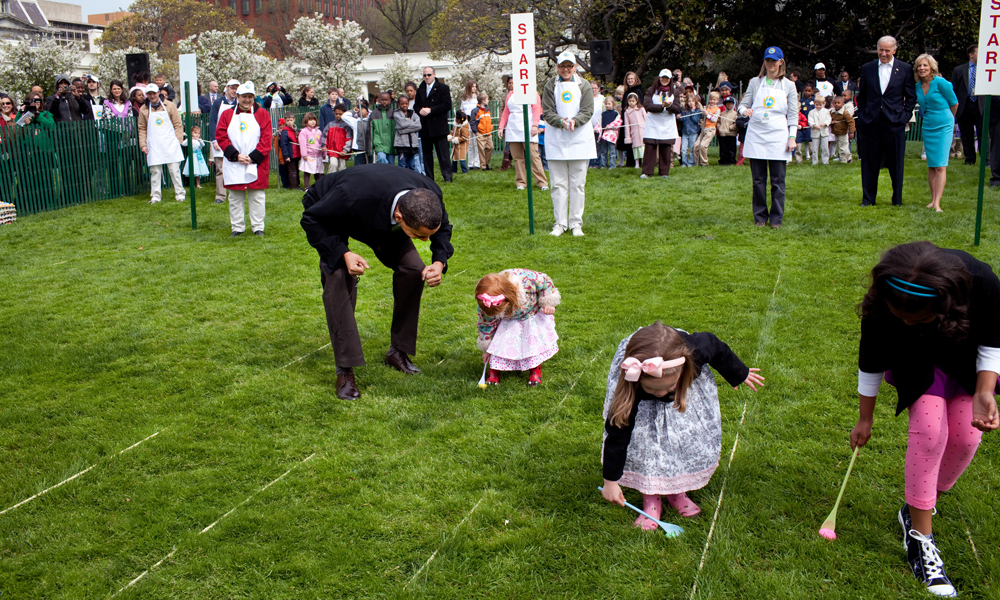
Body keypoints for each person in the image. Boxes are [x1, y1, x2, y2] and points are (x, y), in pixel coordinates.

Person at [850, 241, 1000, 599]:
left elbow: (994, 339)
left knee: (967, 439)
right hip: (918, 361)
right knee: (930, 433)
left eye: (916, 319)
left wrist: (984, 392)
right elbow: (870, 360)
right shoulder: (883, 300)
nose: (904, 321)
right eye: (899, 317)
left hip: (966, 360)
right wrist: (864, 418)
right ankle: (920, 536)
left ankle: (920, 502)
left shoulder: (983, 282)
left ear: (945, 304)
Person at [299, 164, 454, 400]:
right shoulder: (349, 195)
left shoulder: (429, 193)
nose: (425, 241)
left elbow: (442, 229)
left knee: (414, 270)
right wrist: (344, 253)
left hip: (380, 213)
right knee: (340, 277)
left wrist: (439, 261)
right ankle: (345, 371)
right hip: (332, 214)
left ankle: (398, 352)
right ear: (400, 217)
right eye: (419, 236)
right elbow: (311, 220)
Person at [600, 322, 763, 526]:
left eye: (668, 387)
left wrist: (739, 372)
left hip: (682, 397)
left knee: (680, 440)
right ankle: (651, 498)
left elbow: (716, 346)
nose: (661, 394)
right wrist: (610, 481)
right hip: (641, 401)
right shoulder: (631, 386)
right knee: (648, 445)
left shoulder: (696, 351)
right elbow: (617, 433)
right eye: (653, 390)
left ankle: (676, 491)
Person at [737, 46, 798, 228]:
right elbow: (743, 104)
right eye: (768, 60)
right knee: (758, 180)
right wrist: (744, 111)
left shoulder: (789, 85)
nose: (771, 64)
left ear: (781, 62)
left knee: (778, 180)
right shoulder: (756, 82)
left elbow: (793, 113)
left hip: (778, 134)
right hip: (757, 134)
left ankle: (776, 219)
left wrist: (792, 137)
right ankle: (760, 217)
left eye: (774, 61)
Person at [541, 50, 596, 237]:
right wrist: (560, 121)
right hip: (556, 139)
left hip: (579, 139)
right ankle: (560, 223)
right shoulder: (550, 85)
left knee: (578, 184)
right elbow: (547, 111)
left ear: (575, 67)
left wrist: (574, 121)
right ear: (557, 67)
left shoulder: (584, 85)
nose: (566, 69)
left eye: (569, 66)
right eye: (562, 66)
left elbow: (588, 110)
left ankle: (576, 223)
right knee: (558, 184)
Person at [856, 36, 916, 206]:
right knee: (868, 163)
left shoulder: (904, 69)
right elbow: (862, 96)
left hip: (894, 122)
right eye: (880, 50)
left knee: (896, 163)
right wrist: (862, 116)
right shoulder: (868, 68)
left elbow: (910, 97)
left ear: (894, 50)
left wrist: (904, 116)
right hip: (870, 122)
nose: (883, 53)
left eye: (887, 50)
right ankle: (868, 199)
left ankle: (897, 200)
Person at [476, 269, 560, 387]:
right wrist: (486, 349)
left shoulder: (528, 281)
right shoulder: (485, 304)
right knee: (499, 342)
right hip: (505, 321)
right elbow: (486, 324)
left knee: (531, 343)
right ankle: (494, 369)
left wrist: (548, 302)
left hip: (528, 316)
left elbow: (545, 282)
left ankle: (535, 368)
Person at [215, 81, 272, 237]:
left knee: (257, 196)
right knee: (235, 197)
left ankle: (258, 227)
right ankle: (237, 227)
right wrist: (235, 155)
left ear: (254, 98)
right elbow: (221, 136)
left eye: (250, 97)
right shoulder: (227, 115)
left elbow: (266, 139)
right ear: (237, 97)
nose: (247, 100)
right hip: (235, 162)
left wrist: (253, 157)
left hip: (256, 163)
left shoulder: (262, 114)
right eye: (244, 97)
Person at [914, 54, 958, 212]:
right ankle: (932, 200)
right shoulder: (918, 86)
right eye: (919, 66)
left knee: (940, 165)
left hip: (944, 124)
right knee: (931, 165)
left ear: (932, 67)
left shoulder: (941, 82)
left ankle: (938, 203)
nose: (922, 68)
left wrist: (949, 120)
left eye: (925, 65)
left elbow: (954, 103)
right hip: (928, 124)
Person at [139, 83, 185, 204]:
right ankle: (155, 195)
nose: (152, 96)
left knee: (174, 170)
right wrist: (143, 144)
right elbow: (142, 128)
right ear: (147, 95)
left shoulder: (169, 106)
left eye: (154, 93)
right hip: (153, 144)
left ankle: (180, 193)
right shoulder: (143, 109)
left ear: (158, 92)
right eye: (149, 94)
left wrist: (178, 140)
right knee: (155, 171)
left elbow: (178, 124)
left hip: (170, 142)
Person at [499, 77, 548, 190]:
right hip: (513, 128)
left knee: (533, 156)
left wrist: (535, 125)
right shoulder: (510, 94)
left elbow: (536, 109)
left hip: (529, 127)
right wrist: (502, 126)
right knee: (517, 158)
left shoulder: (532, 92)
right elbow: (506, 111)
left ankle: (542, 182)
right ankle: (521, 182)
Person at [414, 67, 453, 182]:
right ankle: (429, 178)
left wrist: (431, 110)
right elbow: (416, 106)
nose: (426, 77)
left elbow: (447, 105)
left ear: (434, 75)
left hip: (439, 127)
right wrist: (420, 110)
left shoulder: (443, 88)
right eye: (424, 75)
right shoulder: (420, 89)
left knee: (443, 154)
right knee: (426, 154)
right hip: (425, 127)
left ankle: (447, 177)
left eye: (429, 75)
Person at [641, 69, 681, 179]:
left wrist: (669, 106)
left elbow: (677, 108)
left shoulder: (675, 92)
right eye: (663, 78)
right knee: (650, 148)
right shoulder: (651, 90)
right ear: (659, 78)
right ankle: (647, 171)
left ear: (670, 79)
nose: (664, 80)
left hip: (667, 124)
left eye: (667, 78)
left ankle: (664, 172)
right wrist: (661, 107)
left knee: (665, 149)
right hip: (653, 123)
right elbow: (647, 105)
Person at [951, 45, 983, 166]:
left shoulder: (985, 70)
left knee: (983, 134)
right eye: (979, 53)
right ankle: (969, 159)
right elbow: (953, 88)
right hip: (965, 105)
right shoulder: (959, 70)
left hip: (980, 105)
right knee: (966, 135)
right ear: (971, 54)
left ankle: (986, 160)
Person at [209, 80, 240, 204]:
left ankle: (236, 192)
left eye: (236, 89)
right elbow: (212, 121)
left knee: (235, 166)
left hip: (235, 139)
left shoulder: (239, 103)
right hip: (220, 139)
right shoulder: (218, 103)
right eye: (232, 88)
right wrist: (214, 139)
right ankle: (220, 195)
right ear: (226, 88)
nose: (234, 91)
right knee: (220, 169)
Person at [393, 95, 422, 171]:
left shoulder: (413, 113)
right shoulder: (396, 114)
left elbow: (419, 126)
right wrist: (412, 125)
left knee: (412, 165)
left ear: (408, 104)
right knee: (402, 164)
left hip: (412, 144)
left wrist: (402, 130)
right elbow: (402, 124)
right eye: (402, 103)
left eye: (406, 103)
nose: (404, 105)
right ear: (398, 104)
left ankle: (411, 180)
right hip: (402, 144)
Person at [324, 104, 354, 174]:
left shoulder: (347, 125)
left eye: (340, 114)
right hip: (332, 150)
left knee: (342, 168)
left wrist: (345, 150)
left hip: (342, 152)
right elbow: (324, 136)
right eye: (336, 114)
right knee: (333, 165)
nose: (338, 115)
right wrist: (324, 145)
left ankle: (341, 182)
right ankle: (331, 180)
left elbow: (349, 139)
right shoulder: (330, 124)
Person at [694, 91, 721, 166]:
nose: (712, 101)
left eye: (714, 99)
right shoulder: (706, 107)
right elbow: (702, 117)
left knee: (703, 145)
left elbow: (714, 120)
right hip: (704, 128)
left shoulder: (717, 109)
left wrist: (707, 114)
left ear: (717, 100)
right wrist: (703, 113)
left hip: (711, 129)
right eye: (711, 99)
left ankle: (704, 162)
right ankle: (697, 162)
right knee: (696, 145)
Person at [298, 112, 325, 187]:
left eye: (314, 120)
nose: (313, 122)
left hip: (318, 156)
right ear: (306, 121)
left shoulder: (319, 132)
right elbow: (302, 144)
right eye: (310, 120)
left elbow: (322, 143)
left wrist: (323, 154)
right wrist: (304, 154)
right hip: (309, 156)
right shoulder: (304, 132)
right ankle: (307, 187)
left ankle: (319, 186)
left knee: (317, 172)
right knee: (307, 171)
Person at [370, 92, 397, 166]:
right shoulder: (374, 114)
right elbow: (370, 131)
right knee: (381, 159)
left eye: (386, 99)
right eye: (382, 100)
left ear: (389, 100)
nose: (384, 101)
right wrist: (371, 146)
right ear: (378, 100)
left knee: (391, 165)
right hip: (379, 143)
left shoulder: (394, 113)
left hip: (391, 144)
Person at [460, 80, 481, 170]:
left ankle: (477, 163)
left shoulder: (478, 97)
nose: (474, 88)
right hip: (467, 122)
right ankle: (470, 163)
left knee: (476, 143)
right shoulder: (464, 98)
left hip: (476, 122)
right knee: (469, 143)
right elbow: (462, 110)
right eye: (472, 86)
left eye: (475, 86)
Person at [622, 92, 646, 169]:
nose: (631, 103)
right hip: (634, 132)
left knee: (644, 147)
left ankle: (645, 163)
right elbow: (627, 125)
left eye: (633, 101)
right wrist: (628, 136)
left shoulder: (641, 109)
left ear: (636, 101)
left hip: (643, 130)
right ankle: (637, 163)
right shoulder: (627, 112)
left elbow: (646, 119)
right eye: (630, 101)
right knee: (636, 148)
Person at [470, 93, 493, 170]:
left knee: (490, 147)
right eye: (487, 99)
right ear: (483, 101)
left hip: (488, 133)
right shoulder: (475, 111)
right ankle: (483, 166)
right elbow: (472, 122)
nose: (488, 101)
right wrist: (476, 132)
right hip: (480, 133)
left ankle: (486, 163)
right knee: (481, 150)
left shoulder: (488, 110)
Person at [830, 95, 856, 163]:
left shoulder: (844, 113)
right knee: (841, 146)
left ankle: (844, 160)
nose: (836, 105)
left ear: (843, 104)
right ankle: (849, 158)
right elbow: (828, 119)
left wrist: (851, 132)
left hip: (843, 132)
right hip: (836, 132)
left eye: (838, 103)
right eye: (835, 103)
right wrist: (831, 122)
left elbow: (851, 121)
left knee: (843, 147)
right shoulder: (832, 112)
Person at [678, 93, 701, 167]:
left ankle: (691, 162)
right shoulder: (684, 111)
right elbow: (682, 119)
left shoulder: (698, 111)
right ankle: (684, 162)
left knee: (692, 149)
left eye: (692, 101)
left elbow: (696, 120)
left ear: (695, 102)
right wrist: (678, 117)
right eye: (689, 101)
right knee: (683, 149)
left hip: (693, 132)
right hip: (685, 132)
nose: (691, 103)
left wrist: (693, 111)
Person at [598, 96, 621, 169]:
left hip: (612, 135)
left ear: (613, 104)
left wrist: (610, 126)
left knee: (612, 152)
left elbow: (618, 123)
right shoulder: (603, 114)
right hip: (604, 135)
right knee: (603, 151)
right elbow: (599, 122)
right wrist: (597, 129)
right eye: (606, 104)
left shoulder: (616, 114)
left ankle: (612, 165)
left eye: (609, 104)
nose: (607, 105)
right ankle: (604, 165)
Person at [278, 111, 300, 190]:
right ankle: (293, 186)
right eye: (287, 120)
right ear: (285, 121)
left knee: (296, 171)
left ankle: (297, 184)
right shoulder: (285, 132)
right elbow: (283, 145)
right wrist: (286, 156)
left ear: (294, 119)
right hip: (290, 154)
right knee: (292, 172)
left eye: (291, 120)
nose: (289, 122)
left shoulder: (296, 130)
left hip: (297, 154)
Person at [808, 95, 831, 165]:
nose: (818, 106)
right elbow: (810, 120)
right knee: (814, 148)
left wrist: (825, 123)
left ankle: (825, 161)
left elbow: (829, 119)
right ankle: (814, 161)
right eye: (817, 104)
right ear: (814, 103)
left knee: (825, 148)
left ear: (823, 104)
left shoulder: (826, 111)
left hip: (824, 131)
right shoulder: (811, 112)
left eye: (820, 105)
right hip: (815, 131)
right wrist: (814, 125)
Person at [717, 96, 738, 164]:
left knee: (731, 149)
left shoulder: (735, 114)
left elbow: (736, 123)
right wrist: (720, 128)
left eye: (730, 104)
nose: (728, 105)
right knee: (723, 148)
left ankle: (731, 160)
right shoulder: (722, 113)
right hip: (722, 134)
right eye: (727, 104)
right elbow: (718, 122)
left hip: (731, 134)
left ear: (733, 105)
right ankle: (723, 160)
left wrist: (731, 128)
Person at [351, 100, 371, 165]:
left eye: (362, 109)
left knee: (369, 165)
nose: (360, 110)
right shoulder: (355, 121)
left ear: (367, 112)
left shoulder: (371, 121)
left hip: (369, 146)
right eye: (359, 109)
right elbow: (344, 117)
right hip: (359, 147)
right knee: (358, 167)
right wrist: (354, 111)